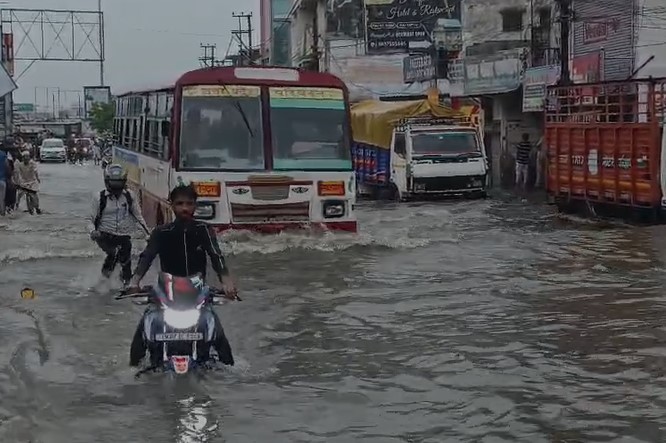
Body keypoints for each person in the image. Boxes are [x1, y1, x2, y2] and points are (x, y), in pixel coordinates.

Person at [127, 184, 238, 366]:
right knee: (145, 328)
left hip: (197, 292)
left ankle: (229, 371)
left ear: (195, 205)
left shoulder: (203, 230)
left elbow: (216, 256)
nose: (185, 208)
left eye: (189, 203)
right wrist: (134, 282)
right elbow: (146, 257)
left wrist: (227, 283)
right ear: (171, 205)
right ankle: (133, 370)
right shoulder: (161, 232)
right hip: (167, 292)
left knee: (217, 331)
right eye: (179, 203)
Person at [88, 164, 149, 285]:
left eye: (119, 184)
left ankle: (126, 282)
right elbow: (89, 219)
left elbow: (138, 216)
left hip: (123, 235)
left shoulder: (129, 196)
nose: (116, 190)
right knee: (114, 253)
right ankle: (103, 281)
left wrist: (148, 234)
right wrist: (92, 231)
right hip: (104, 234)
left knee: (126, 258)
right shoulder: (99, 198)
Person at [0, 146, 8, 216]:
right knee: (2, 199)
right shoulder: (3, 154)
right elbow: (7, 165)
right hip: (2, 180)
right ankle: (2, 213)